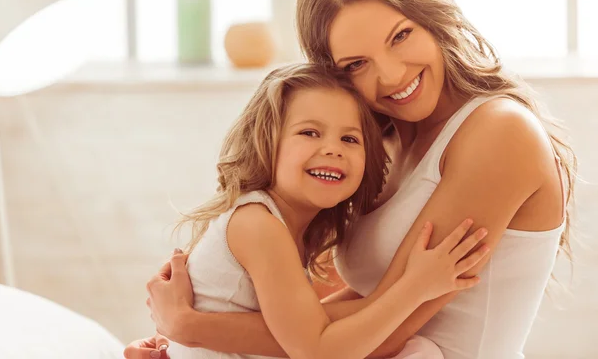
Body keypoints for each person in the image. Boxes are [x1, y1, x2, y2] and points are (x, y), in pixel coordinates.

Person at [128, 0, 576, 358]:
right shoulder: (377, 149)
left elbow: (382, 335)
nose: (392, 74)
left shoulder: (498, 133)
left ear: (433, 17)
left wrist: (194, 327)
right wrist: (187, 345)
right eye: (356, 64)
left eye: (401, 36)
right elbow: (330, 320)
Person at [124, 63, 489, 359]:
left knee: (417, 350)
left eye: (349, 139)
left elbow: (314, 325)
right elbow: (317, 348)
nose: (333, 149)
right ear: (268, 142)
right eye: (310, 133)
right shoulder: (257, 225)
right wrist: (414, 287)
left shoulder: (287, 228)